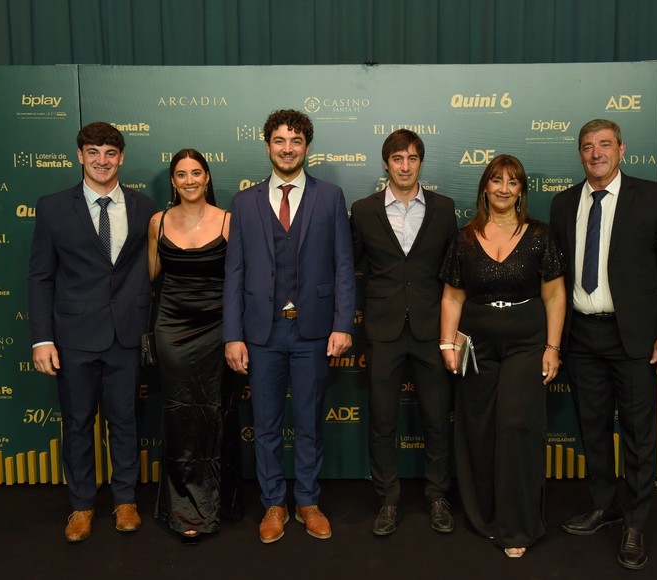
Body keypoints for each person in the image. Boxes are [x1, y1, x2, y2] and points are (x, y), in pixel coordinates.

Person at [549, 119, 657, 570]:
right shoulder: (563, 203)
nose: (596, 154)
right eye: (588, 147)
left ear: (622, 149)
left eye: (604, 145)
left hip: (635, 337)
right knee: (591, 428)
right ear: (580, 154)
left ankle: (634, 522)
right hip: (581, 334)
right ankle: (603, 505)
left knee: (637, 433)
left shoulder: (653, 197)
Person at [223, 109, 355, 544]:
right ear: (267, 146)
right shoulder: (244, 202)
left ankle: (308, 501)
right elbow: (235, 273)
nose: (287, 148)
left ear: (306, 147)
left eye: (295, 141)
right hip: (261, 333)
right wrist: (233, 335)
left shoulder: (331, 196)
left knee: (310, 421)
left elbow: (342, 266)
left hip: (314, 332)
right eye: (279, 140)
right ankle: (273, 504)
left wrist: (342, 325)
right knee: (265, 423)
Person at [28, 122, 157, 542]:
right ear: (80, 156)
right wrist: (42, 338)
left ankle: (125, 501)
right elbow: (41, 277)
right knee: (78, 423)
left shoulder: (145, 207)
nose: (102, 160)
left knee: (125, 422)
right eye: (93, 152)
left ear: (121, 158)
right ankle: (81, 506)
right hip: (73, 337)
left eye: (110, 153)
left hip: (126, 335)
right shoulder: (51, 207)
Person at [440, 154, 566, 558]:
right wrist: (446, 344)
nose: (504, 188)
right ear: (485, 187)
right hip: (475, 348)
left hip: (527, 344)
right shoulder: (463, 238)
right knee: (479, 429)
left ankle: (518, 526)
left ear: (521, 191)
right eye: (496, 180)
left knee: (516, 427)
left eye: (513, 182)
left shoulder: (540, 235)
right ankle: (484, 517)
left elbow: (555, 295)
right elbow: (452, 297)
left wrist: (552, 347)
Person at [349, 129, 457, 536]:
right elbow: (348, 269)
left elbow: (455, 276)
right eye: (398, 158)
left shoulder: (445, 209)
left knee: (436, 420)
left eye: (412, 158)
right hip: (382, 330)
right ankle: (388, 500)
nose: (405, 165)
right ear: (386, 163)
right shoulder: (362, 210)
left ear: (421, 162)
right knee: (381, 422)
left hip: (433, 331)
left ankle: (437, 496)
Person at [148, 149, 243, 543]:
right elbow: (150, 277)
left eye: (196, 173)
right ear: (173, 181)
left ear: (207, 178)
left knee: (215, 414)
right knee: (179, 415)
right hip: (171, 327)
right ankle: (182, 507)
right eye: (181, 174)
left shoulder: (229, 222)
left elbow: (239, 279)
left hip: (218, 328)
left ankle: (218, 503)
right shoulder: (157, 222)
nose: (189, 180)